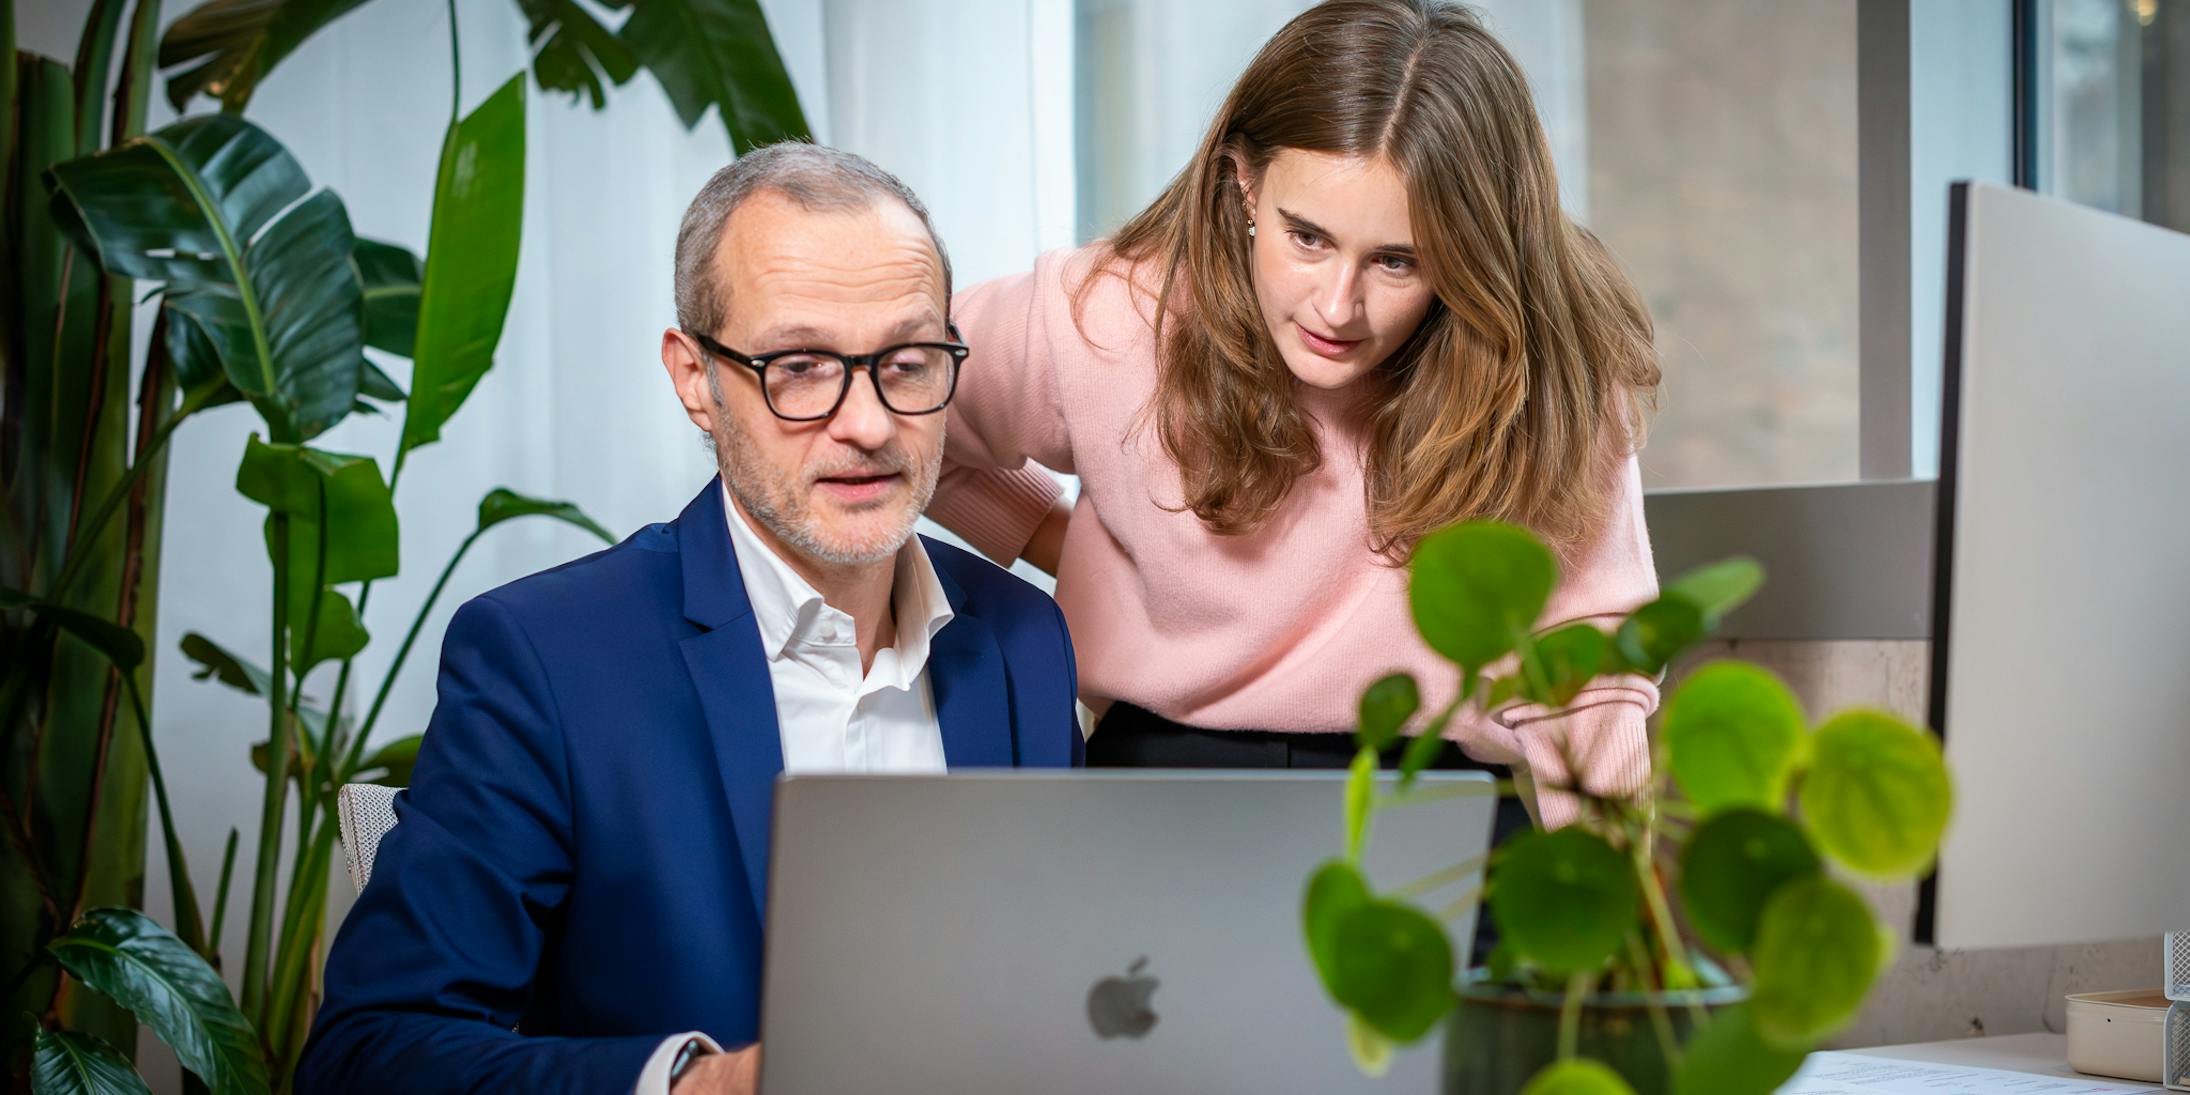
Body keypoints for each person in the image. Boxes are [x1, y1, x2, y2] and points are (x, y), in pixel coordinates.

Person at [297, 144, 1083, 1095]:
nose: (870, 423)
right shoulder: (548, 659)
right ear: (695, 378)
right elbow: (369, 1054)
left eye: (906, 363)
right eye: (800, 367)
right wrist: (695, 1086)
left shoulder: (1023, 641)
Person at [926, 0, 1661, 833]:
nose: (1338, 306)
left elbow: (1585, 679)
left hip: (1436, 804)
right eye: (1306, 237)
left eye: (1397, 260)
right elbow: (895, 406)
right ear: (1244, 183)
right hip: (1157, 795)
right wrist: (1053, 537)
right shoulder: (1110, 313)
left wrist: (1621, 932)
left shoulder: (1546, 370)